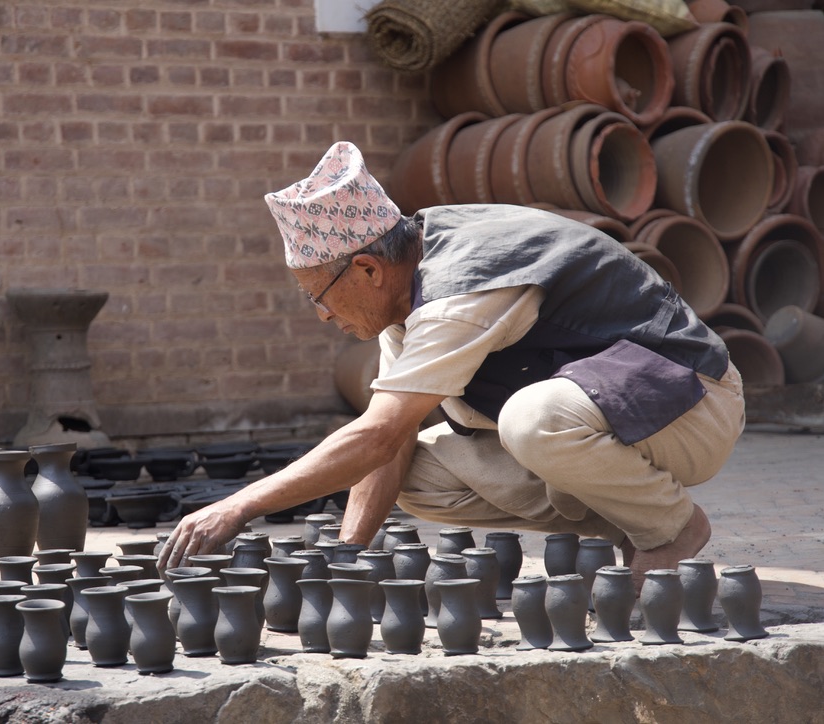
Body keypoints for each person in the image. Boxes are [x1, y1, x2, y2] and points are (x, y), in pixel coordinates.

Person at [157, 141, 745, 592]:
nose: (320, 315)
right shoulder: (403, 293)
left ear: (367, 269)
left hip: (690, 402)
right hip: (617, 417)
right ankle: (633, 524)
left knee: (532, 420)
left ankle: (671, 529)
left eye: (318, 294)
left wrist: (240, 504)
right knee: (416, 473)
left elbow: (375, 434)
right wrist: (347, 562)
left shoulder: (459, 288)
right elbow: (389, 438)